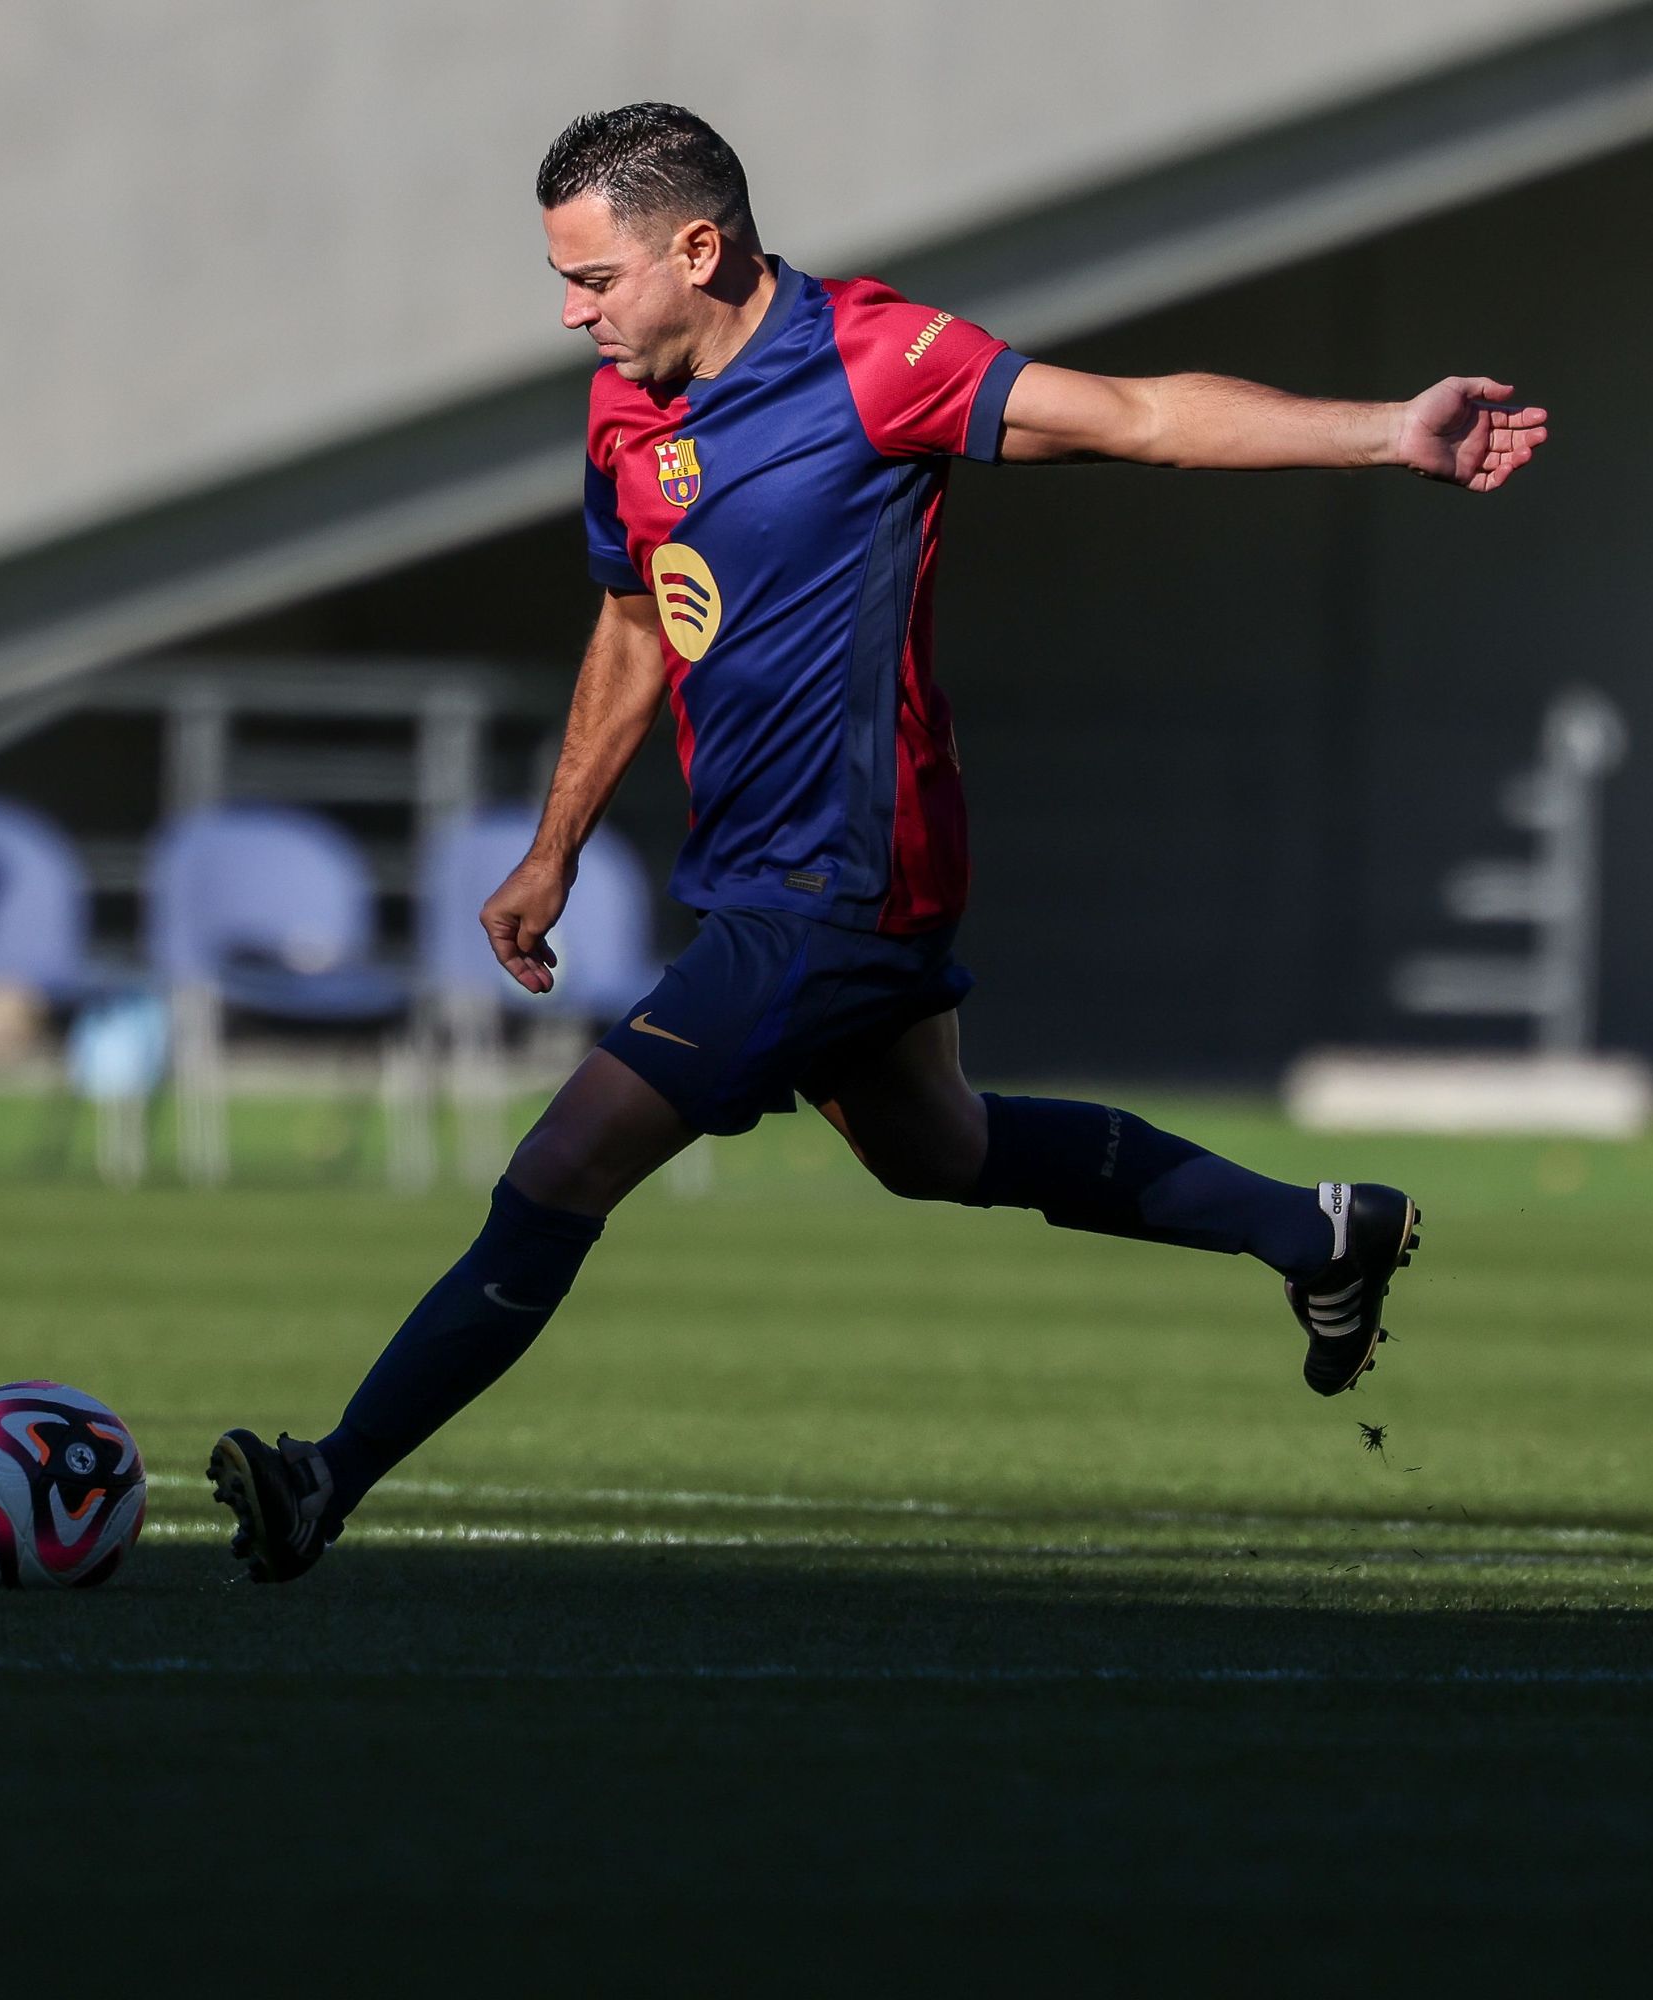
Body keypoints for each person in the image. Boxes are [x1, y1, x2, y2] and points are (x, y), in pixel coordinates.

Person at [208, 103, 1549, 1581]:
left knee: (562, 1166)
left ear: (697, 249)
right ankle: (1317, 1232)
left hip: (846, 878)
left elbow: (1141, 417)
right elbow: (636, 618)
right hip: (758, 875)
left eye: (593, 278)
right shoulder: (624, 411)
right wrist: (553, 849)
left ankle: (325, 1480)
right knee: (936, 1147)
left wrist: (1383, 432)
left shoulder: (879, 358)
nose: (571, 311)